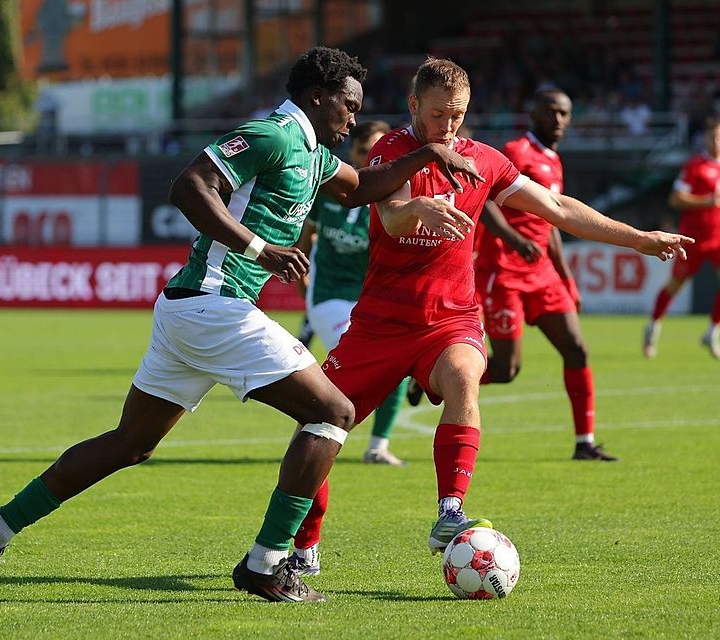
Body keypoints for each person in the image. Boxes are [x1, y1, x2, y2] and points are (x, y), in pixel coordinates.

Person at [0, 46, 484, 600]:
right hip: (215, 304)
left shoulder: (314, 152)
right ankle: (266, 563)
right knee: (333, 413)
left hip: (189, 310)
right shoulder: (272, 134)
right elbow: (189, 186)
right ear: (317, 97)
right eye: (348, 107)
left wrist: (427, 154)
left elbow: (361, 188)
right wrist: (260, 248)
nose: (353, 120)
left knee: (130, 443)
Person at [237, 57, 693, 602]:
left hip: (451, 319)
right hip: (380, 324)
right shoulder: (390, 152)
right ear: (414, 107)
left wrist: (638, 238)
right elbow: (392, 217)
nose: (448, 125)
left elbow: (556, 207)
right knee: (319, 425)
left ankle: (449, 512)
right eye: (438, 114)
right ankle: (304, 546)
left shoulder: (484, 160)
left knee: (464, 376)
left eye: (457, 115)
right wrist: (419, 210)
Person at [287, 120, 407, 578]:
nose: (371, 156)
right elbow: (305, 239)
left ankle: (378, 445)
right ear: (354, 151)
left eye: (379, 151)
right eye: (364, 149)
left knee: (389, 367)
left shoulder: (392, 195)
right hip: (329, 299)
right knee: (358, 372)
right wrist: (302, 281)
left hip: (370, 302)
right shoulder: (330, 189)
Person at [474, 88, 617, 461]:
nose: (558, 120)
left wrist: (566, 278)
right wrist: (513, 238)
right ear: (534, 112)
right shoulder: (516, 150)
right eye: (551, 111)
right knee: (506, 369)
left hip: (542, 273)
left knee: (577, 349)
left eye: (564, 113)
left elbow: (552, 221)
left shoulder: (554, 160)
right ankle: (435, 380)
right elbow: (483, 197)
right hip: (504, 270)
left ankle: (584, 443)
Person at [643, 118, 720, 360]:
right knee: (675, 285)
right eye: (713, 136)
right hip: (693, 238)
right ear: (706, 139)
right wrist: (708, 201)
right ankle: (653, 326)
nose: (717, 141)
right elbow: (675, 199)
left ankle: (712, 333)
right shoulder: (694, 166)